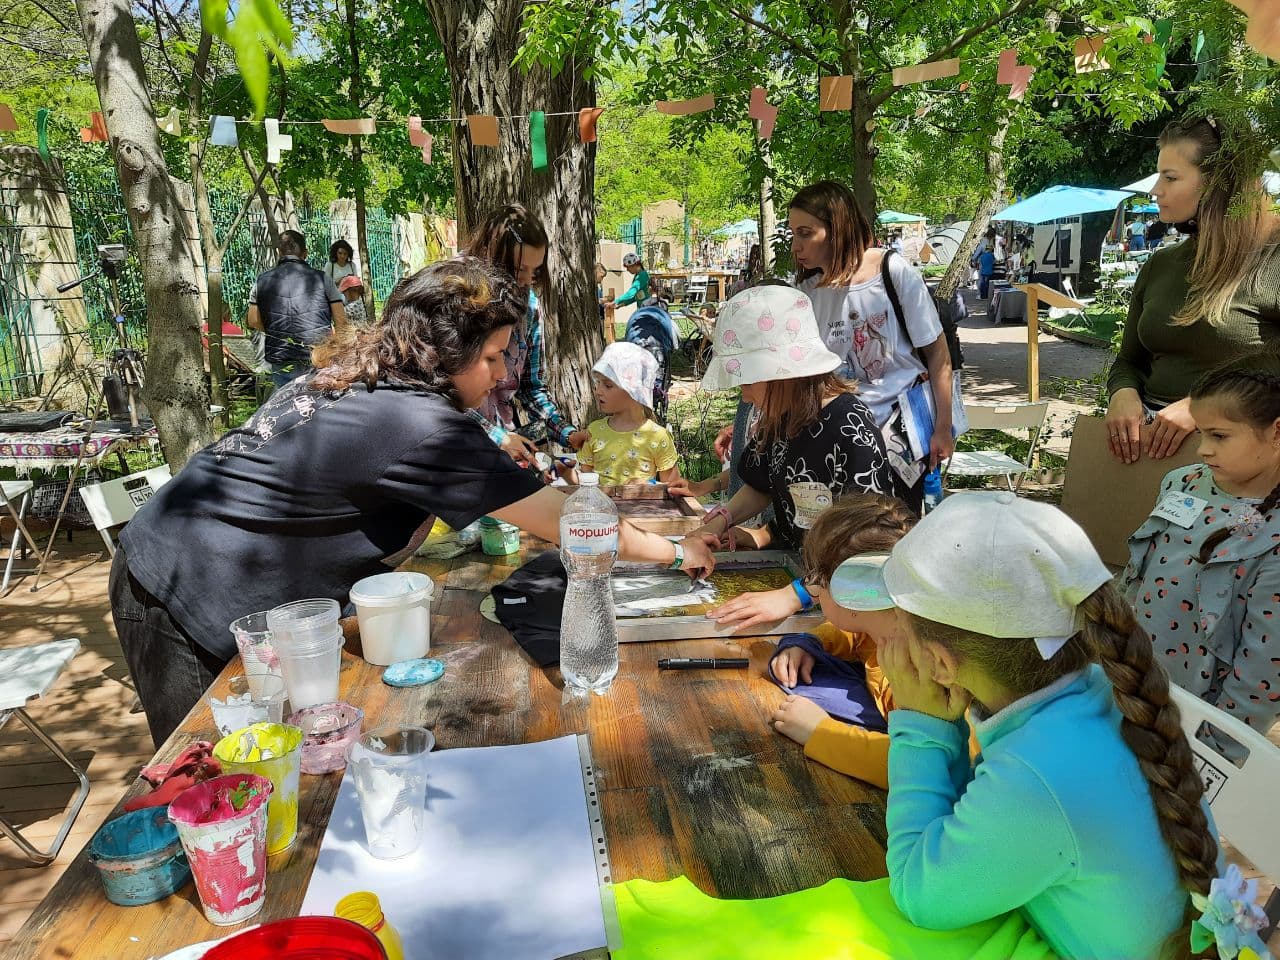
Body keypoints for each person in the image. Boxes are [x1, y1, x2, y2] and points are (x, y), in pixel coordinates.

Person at [109, 257, 716, 748]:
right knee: (214, 772)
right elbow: (570, 520)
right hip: (178, 587)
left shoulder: (368, 375)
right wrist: (674, 550)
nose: (502, 374)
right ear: (444, 352)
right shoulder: (417, 423)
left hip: (192, 559)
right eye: (491, 357)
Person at [858, 492, 1225, 960]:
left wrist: (921, 723)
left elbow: (919, 893)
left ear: (939, 663)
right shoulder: (1101, 690)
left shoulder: (1037, 776)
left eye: (898, 623)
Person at [673, 284, 894, 632]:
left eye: (747, 379)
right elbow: (761, 486)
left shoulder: (851, 428)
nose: (742, 391)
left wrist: (796, 596)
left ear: (784, 374)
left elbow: (869, 547)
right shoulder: (781, 415)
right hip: (791, 570)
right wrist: (716, 525)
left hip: (841, 605)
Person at [1122, 348, 1280, 741]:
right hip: (1132, 680)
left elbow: (1263, 669)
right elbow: (1138, 572)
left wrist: (1216, 743)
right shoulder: (1184, 482)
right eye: (1202, 432)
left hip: (1198, 718)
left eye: (1219, 436)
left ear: (1276, 432)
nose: (1203, 448)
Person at [1104, 117, 1280, 464]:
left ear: (1218, 183)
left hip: (1247, 465)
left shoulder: (1274, 257)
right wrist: (1122, 393)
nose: (1156, 189)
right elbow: (1130, 360)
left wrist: (1205, 404)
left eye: (1170, 177)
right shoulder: (1162, 264)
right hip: (1148, 458)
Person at [788, 180, 956, 511]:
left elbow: (939, 356)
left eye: (805, 233)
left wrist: (942, 429)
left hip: (900, 440)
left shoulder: (892, 271)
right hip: (839, 442)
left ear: (837, 229)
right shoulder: (808, 291)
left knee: (892, 535)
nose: (796, 246)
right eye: (793, 233)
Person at [767, 494, 917, 788]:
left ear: (850, 591)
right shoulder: (887, 625)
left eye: (816, 579)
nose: (813, 590)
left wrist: (821, 732)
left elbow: (922, 768)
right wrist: (811, 643)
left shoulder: (919, 671)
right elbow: (856, 634)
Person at [464, 204, 588, 465]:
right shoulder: (456, 295)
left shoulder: (529, 306)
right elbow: (438, 396)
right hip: (459, 451)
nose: (527, 281)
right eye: (520, 270)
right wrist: (497, 437)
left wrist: (566, 432)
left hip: (503, 449)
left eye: (536, 271)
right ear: (492, 255)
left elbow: (531, 386)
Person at [246, 230, 346, 388]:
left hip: (281, 355)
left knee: (288, 405)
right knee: (318, 403)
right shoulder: (322, 279)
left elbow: (253, 321)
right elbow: (341, 321)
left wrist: (275, 330)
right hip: (317, 354)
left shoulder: (261, 281)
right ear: (305, 254)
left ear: (279, 252)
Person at [574, 342, 680, 486]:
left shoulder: (658, 436)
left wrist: (649, 485)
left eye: (608, 385)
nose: (598, 391)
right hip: (600, 508)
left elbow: (674, 488)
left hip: (644, 508)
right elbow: (585, 484)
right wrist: (567, 473)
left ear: (633, 390)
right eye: (597, 383)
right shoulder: (594, 431)